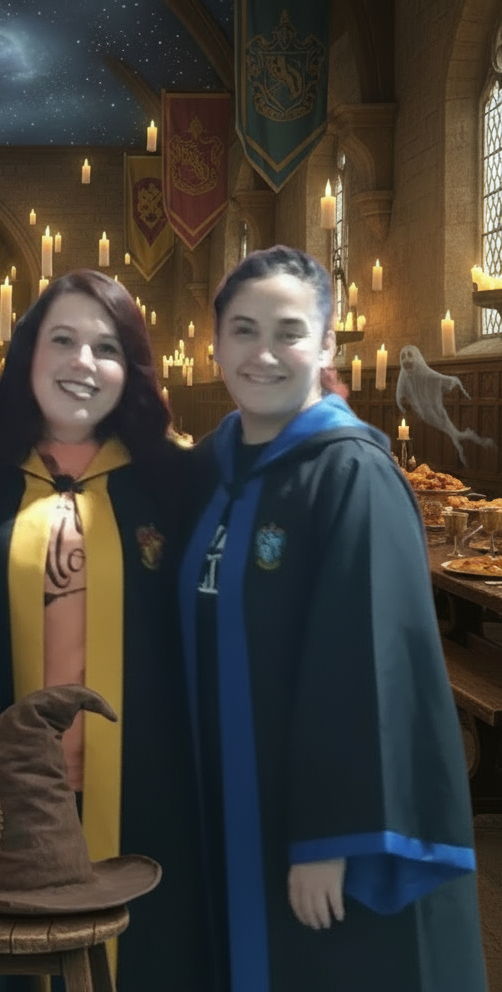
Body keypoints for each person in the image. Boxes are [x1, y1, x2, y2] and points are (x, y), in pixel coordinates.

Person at [178, 245, 487, 992]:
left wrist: (330, 836)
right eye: (243, 330)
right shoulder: (211, 473)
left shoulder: (352, 474)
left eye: (288, 332)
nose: (263, 353)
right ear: (215, 344)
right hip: (232, 793)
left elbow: (372, 665)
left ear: (324, 347)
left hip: (316, 821)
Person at [0, 269, 213, 992]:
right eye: (62, 340)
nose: (83, 363)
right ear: (27, 353)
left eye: (106, 347)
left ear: (130, 369)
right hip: (7, 790)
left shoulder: (173, 481)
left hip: (141, 780)